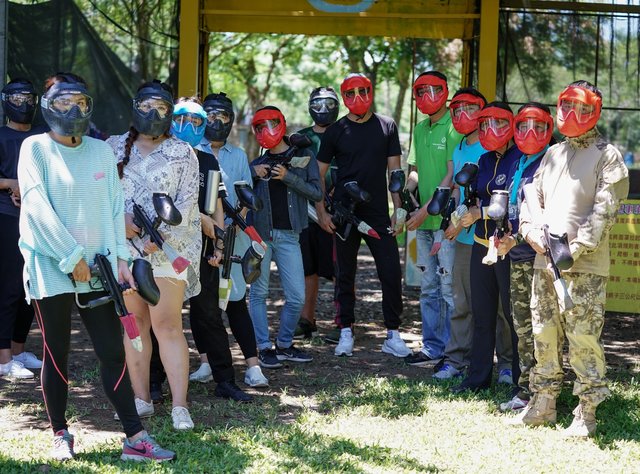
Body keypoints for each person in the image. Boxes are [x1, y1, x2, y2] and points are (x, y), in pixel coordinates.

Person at [18, 72, 174, 461]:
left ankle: (135, 438)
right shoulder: (34, 148)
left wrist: (121, 260)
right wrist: (72, 259)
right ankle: (60, 434)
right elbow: (37, 208)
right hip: (51, 266)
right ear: (46, 107)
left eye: (81, 103)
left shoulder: (101, 151)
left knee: (111, 352)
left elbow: (112, 209)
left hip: (101, 268)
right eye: (63, 103)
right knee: (57, 352)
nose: (73, 110)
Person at [513, 81, 629, 437]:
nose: (571, 114)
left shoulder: (608, 156)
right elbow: (533, 201)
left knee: (583, 339)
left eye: (580, 107)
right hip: (542, 264)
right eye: (566, 105)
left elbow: (603, 214)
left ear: (594, 110)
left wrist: (570, 252)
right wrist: (531, 234)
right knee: (543, 335)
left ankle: (586, 411)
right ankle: (543, 403)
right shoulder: (553, 154)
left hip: (584, 268)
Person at [107, 80, 201, 430]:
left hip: (167, 251)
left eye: (162, 108)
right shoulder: (113, 146)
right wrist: (121, 224)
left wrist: (156, 236)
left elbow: (188, 205)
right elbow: (102, 198)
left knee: (167, 326)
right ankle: (141, 399)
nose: (154, 114)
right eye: (147, 106)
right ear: (135, 107)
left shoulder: (182, 152)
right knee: (135, 327)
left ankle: (180, 406)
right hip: (123, 252)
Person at [316, 73, 411, 358]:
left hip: (378, 212)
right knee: (345, 274)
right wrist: (321, 211)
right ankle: (346, 331)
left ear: (371, 91)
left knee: (391, 272)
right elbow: (318, 175)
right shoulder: (335, 131)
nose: (357, 97)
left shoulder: (387, 126)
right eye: (351, 92)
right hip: (344, 213)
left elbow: (395, 172)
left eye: (363, 91)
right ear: (344, 97)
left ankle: (393, 334)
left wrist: (400, 209)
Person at [185, 92, 268, 396]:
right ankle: (206, 362)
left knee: (235, 301)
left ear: (231, 121)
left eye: (224, 116)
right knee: (200, 302)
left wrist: (230, 227)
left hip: (232, 237)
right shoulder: (191, 149)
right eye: (212, 115)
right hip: (196, 236)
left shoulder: (237, 156)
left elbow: (244, 194)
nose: (218, 121)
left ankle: (253, 365)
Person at [434, 89, 514, 381]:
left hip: (499, 240)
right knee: (464, 303)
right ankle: (457, 361)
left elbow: (496, 198)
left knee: (503, 309)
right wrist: (451, 222)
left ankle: (506, 364)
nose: (462, 116)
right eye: (456, 110)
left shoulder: (504, 151)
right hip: (470, 239)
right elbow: (459, 189)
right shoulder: (463, 148)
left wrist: (470, 216)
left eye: (470, 109)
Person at [451, 102, 521, 393]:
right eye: (485, 124)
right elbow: (477, 197)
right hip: (482, 244)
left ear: (512, 126)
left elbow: (518, 206)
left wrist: (481, 212)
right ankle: (477, 379)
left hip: (510, 247)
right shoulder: (483, 159)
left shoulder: (522, 159)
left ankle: (521, 381)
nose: (491, 131)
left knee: (514, 316)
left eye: (499, 124)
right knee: (482, 315)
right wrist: (464, 213)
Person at [248, 106, 321, 368]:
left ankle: (285, 344)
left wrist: (288, 176)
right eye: (259, 127)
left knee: (297, 297)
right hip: (261, 237)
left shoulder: (304, 156)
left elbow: (316, 193)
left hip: (290, 236)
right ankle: (264, 348)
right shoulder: (256, 165)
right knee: (258, 293)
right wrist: (250, 174)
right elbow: (241, 198)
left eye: (270, 124)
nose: (265, 131)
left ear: (281, 125)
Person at [496, 102, 555, 411]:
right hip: (517, 254)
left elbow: (547, 216)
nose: (530, 133)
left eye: (539, 126)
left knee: (543, 325)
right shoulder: (515, 160)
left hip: (543, 257)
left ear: (550, 130)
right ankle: (525, 390)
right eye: (523, 126)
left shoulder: (554, 160)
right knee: (521, 325)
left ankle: (546, 390)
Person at [404, 71, 461, 366]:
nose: (426, 96)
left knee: (448, 288)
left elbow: (451, 178)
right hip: (424, 223)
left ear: (445, 91)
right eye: (420, 91)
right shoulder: (419, 128)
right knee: (428, 288)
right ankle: (432, 348)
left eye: (433, 89)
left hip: (446, 223)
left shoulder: (454, 127)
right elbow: (414, 171)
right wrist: (404, 197)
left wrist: (425, 209)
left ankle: (453, 354)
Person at [0, 78, 45, 379]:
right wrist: (10, 183)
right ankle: (4, 359)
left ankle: (18, 350)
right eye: (16, 99)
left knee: (33, 286)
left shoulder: (43, 138)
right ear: (5, 101)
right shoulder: (1, 136)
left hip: (39, 218)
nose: (23, 105)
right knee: (10, 288)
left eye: (28, 99)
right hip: (6, 218)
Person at [294, 87, 340, 341]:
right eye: (318, 104)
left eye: (329, 104)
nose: (323, 109)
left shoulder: (345, 133)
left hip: (338, 211)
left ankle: (344, 322)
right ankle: (306, 319)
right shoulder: (301, 138)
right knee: (307, 268)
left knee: (339, 268)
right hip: (307, 211)